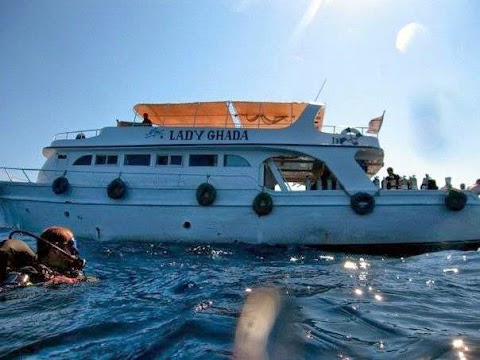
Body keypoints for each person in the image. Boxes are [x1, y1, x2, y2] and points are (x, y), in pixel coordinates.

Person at [0, 226, 86, 288]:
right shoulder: (27, 274)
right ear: (56, 250)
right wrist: (47, 283)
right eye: (71, 246)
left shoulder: (71, 271)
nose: (75, 251)